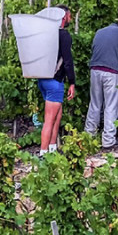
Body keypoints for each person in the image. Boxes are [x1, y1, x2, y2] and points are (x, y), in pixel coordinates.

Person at [84, 21, 118, 149]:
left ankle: (88, 136)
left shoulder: (99, 31)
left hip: (95, 70)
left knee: (94, 104)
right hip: (112, 71)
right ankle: (108, 140)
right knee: (111, 106)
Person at [38, 10, 76, 154]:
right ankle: (43, 153)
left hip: (43, 79)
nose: (70, 18)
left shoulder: (46, 34)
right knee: (49, 119)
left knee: (56, 115)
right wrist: (72, 82)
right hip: (55, 81)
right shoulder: (64, 35)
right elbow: (67, 61)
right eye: (69, 15)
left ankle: (53, 148)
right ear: (63, 17)